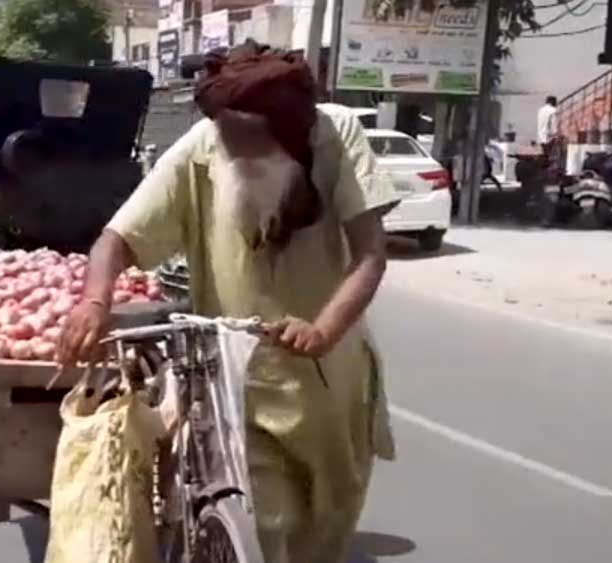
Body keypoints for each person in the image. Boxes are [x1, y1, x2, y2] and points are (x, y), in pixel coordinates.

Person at [57, 41, 397, 563]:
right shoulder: (202, 147)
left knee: (328, 528)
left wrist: (322, 330)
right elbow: (115, 239)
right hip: (236, 388)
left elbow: (370, 255)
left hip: (333, 384)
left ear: (288, 135)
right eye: (228, 139)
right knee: (265, 526)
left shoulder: (336, 135)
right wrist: (94, 302)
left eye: (251, 144)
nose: (236, 153)